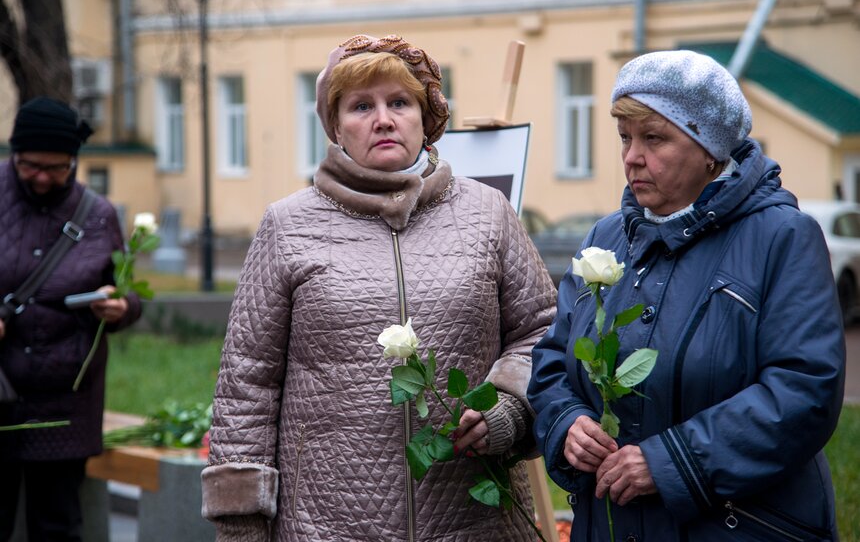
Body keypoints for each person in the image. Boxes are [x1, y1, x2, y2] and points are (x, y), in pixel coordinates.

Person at [200, 34, 557, 541]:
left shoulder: (487, 213)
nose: (383, 119)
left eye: (400, 102)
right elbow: (247, 381)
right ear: (336, 126)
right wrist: (241, 526)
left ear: (426, 118)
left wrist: (509, 411)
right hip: (324, 523)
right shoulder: (288, 224)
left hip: (475, 518)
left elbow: (541, 331)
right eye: (361, 105)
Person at [528, 50, 845, 541]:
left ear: (710, 150)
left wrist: (671, 462)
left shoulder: (782, 237)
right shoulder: (607, 237)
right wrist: (568, 424)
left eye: (654, 138)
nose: (632, 157)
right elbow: (552, 358)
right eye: (625, 138)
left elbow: (804, 390)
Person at [0, 97, 142, 541]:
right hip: (0, 387)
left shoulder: (97, 215)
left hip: (64, 405)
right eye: (30, 166)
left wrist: (121, 307)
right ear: (14, 154)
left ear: (74, 161)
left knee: (58, 526)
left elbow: (127, 288)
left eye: (56, 168)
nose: (42, 177)